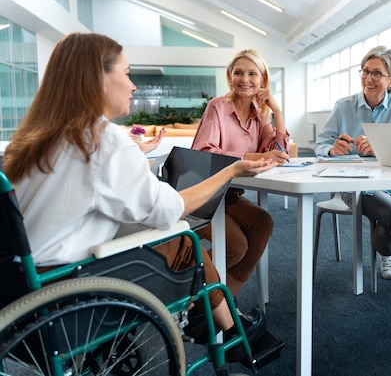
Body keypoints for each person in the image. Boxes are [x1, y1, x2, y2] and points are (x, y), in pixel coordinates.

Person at [2, 32, 277, 360]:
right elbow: (168, 210)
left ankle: (220, 321)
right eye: (126, 72)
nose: (132, 86)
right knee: (181, 239)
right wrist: (230, 171)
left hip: (16, 290)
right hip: (64, 295)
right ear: (98, 78)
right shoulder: (102, 139)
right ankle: (230, 335)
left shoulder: (31, 139)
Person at [314, 45, 391, 289]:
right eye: (365, 71)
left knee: (385, 239)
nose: (368, 78)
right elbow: (321, 144)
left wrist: (381, 147)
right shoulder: (343, 106)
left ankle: (387, 254)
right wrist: (331, 149)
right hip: (354, 186)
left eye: (376, 73)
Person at [192, 49, 290, 296]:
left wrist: (277, 112)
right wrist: (250, 157)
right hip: (204, 195)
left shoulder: (260, 116)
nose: (244, 79)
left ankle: (226, 300)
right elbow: (203, 152)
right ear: (230, 77)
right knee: (235, 245)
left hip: (230, 195)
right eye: (238, 73)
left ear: (262, 80)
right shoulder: (218, 107)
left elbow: (279, 150)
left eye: (252, 74)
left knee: (263, 223)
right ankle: (189, 293)